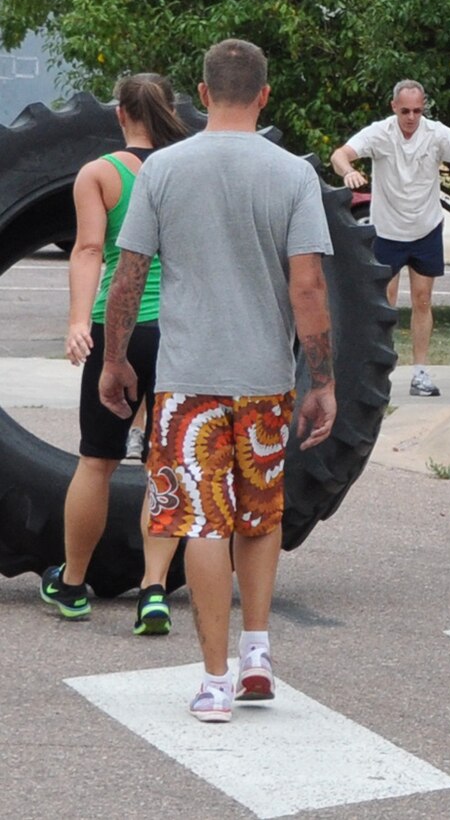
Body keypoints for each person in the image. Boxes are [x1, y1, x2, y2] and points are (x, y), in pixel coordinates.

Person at [99, 39, 336, 723]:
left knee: (201, 521)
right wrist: (320, 379)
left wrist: (116, 361)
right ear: (264, 95)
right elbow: (309, 286)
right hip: (263, 376)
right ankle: (258, 650)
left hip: (187, 381)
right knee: (259, 515)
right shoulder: (291, 175)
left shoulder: (164, 170)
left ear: (200, 95)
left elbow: (130, 273)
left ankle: (213, 680)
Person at [39, 73, 188, 634]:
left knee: (97, 460)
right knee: (166, 461)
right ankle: (154, 591)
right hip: (177, 332)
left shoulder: (100, 173)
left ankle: (73, 584)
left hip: (117, 330)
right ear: (170, 111)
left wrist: (80, 322)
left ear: (120, 115)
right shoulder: (187, 169)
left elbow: (89, 248)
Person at [329, 80, 450, 397]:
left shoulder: (436, 134)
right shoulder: (380, 133)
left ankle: (420, 373)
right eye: (405, 111)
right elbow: (340, 154)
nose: (411, 117)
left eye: (417, 111)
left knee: (423, 300)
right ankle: (377, 371)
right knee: (386, 303)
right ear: (394, 107)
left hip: (426, 228)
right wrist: (348, 173)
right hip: (386, 231)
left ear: (424, 108)